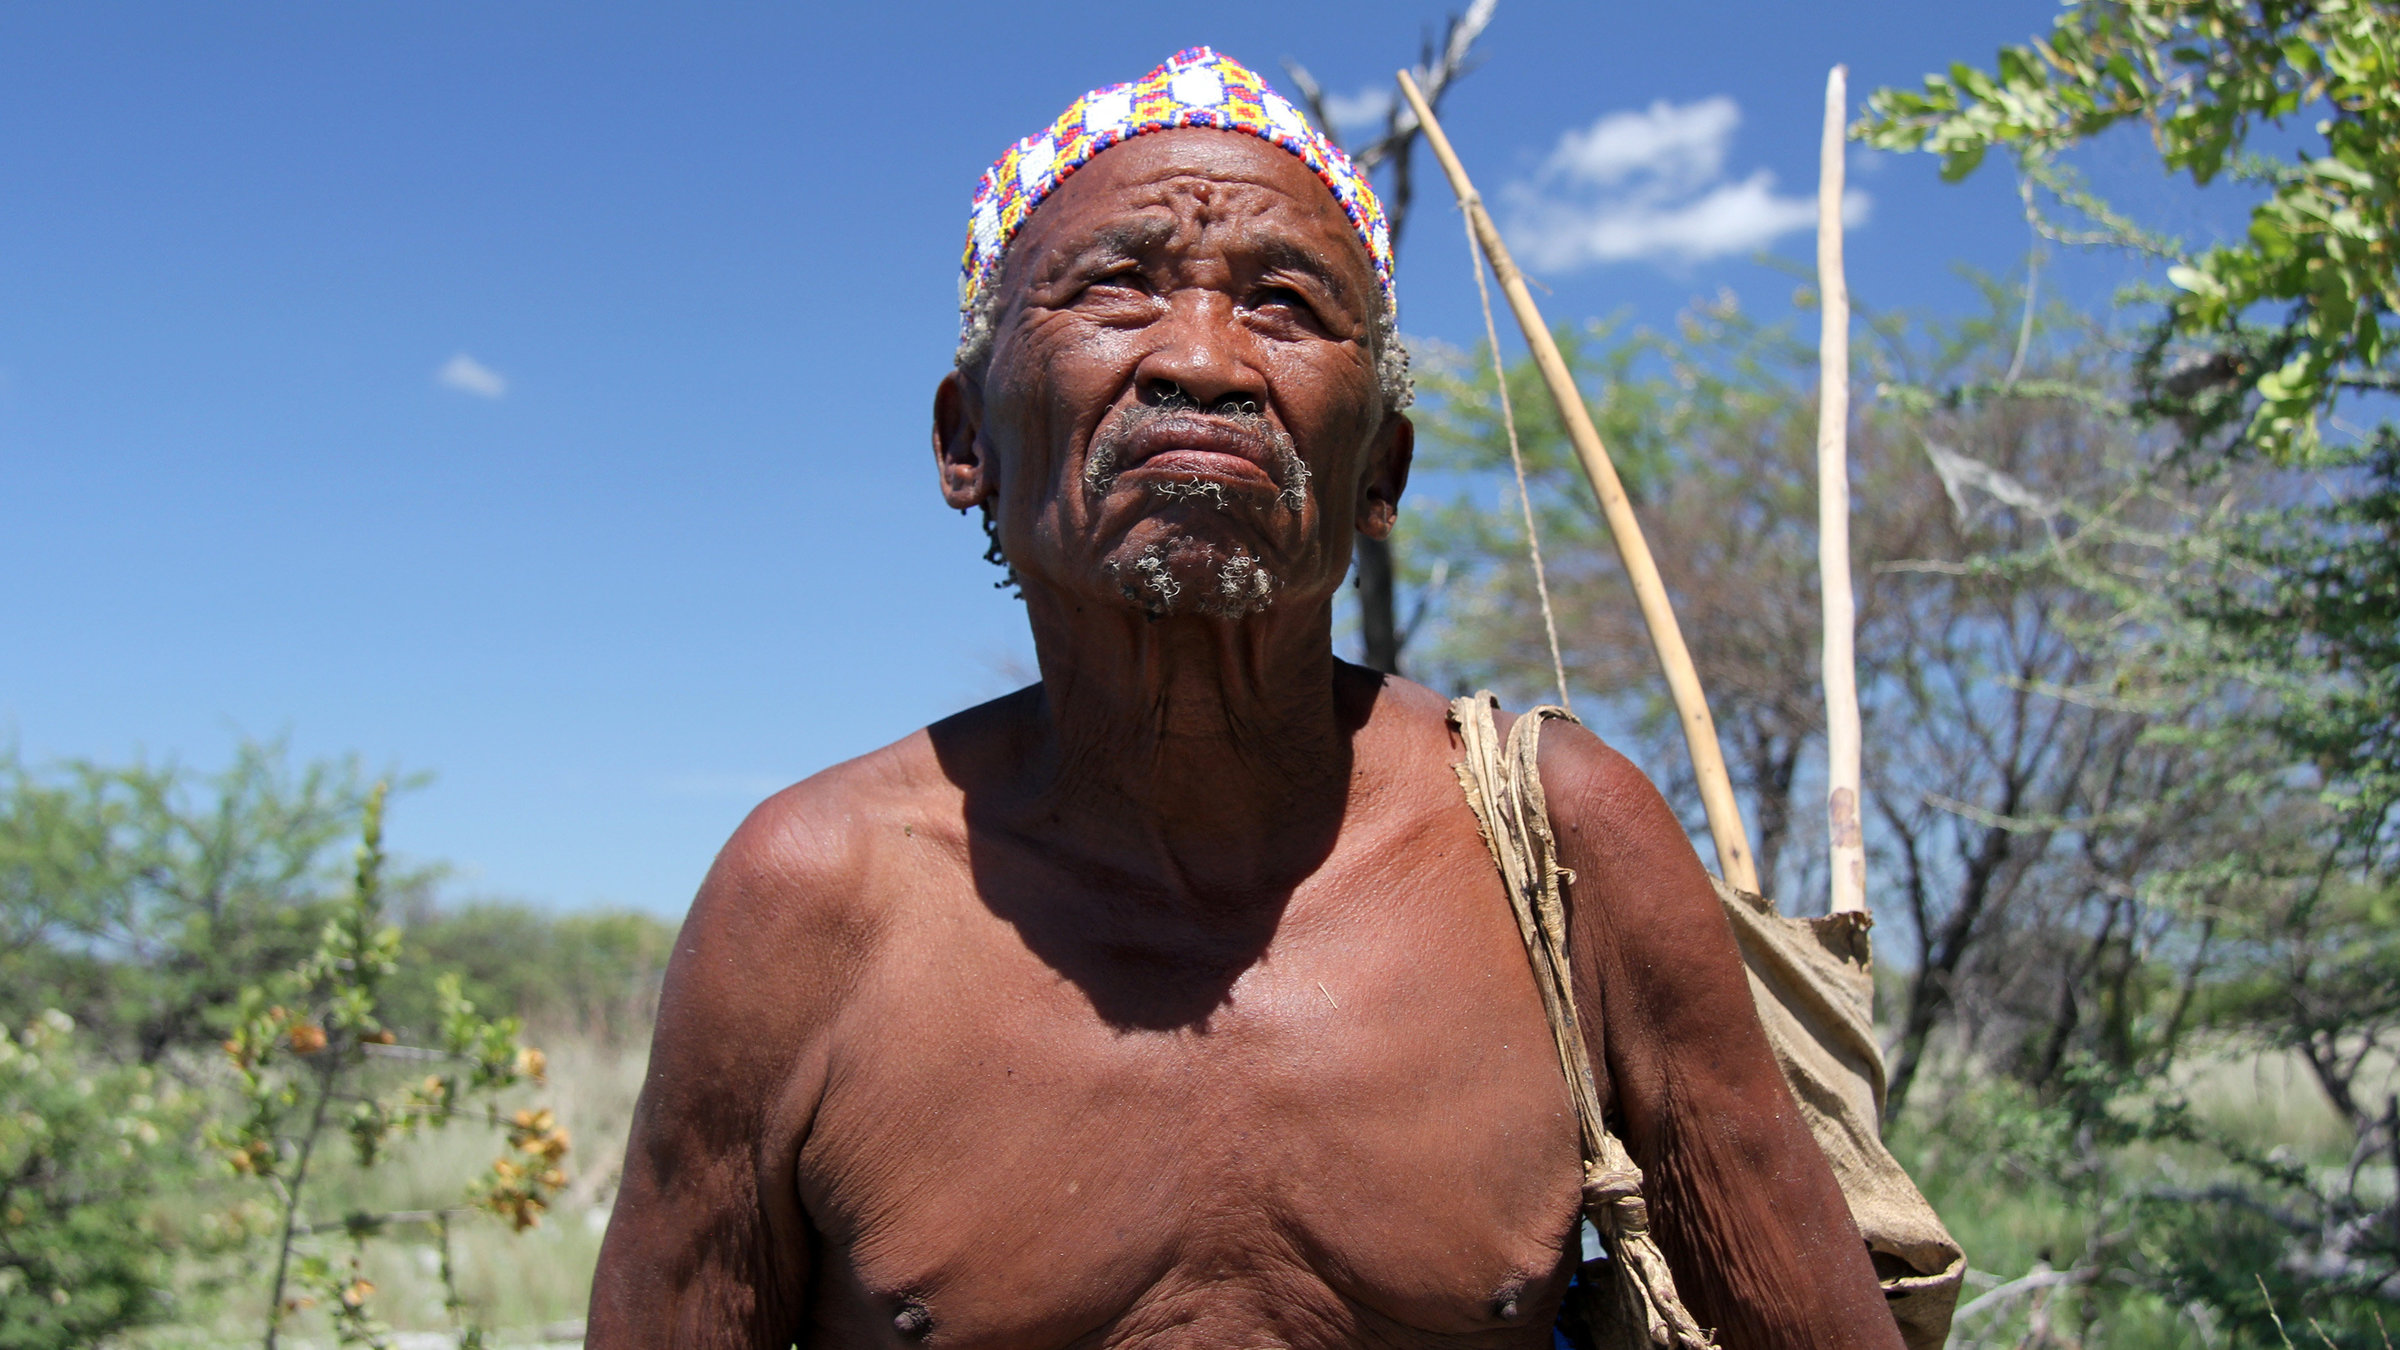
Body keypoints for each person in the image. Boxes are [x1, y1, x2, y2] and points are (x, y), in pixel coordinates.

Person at [588, 47, 1901, 1350]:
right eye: (1113, 291)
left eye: (1283, 305)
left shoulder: (1562, 855)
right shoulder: (807, 906)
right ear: (965, 442)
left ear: (1381, 471)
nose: (1205, 361)